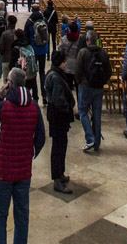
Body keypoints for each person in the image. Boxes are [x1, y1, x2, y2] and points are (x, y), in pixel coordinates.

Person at [0, 67, 45, 244]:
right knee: (21, 215)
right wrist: (30, 155)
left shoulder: (4, 106)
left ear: (9, 84)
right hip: (23, 171)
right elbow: (40, 138)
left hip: (4, 170)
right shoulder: (34, 107)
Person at [76, 29, 111, 153]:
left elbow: (78, 70)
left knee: (82, 112)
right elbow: (109, 71)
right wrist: (102, 82)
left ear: (87, 40)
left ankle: (90, 138)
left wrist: (80, 82)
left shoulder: (83, 52)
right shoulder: (103, 52)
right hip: (99, 88)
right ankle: (97, 142)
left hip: (85, 87)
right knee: (97, 114)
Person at [45, 49, 75, 193]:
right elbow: (58, 100)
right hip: (58, 116)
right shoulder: (55, 77)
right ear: (59, 62)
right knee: (58, 147)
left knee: (62, 144)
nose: (66, 63)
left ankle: (60, 173)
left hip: (58, 116)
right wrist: (68, 107)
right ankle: (57, 179)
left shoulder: (56, 74)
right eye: (64, 61)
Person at [25, 4, 49, 103]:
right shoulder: (44, 20)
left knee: (33, 72)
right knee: (42, 72)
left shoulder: (29, 22)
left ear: (31, 9)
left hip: (33, 50)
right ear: (39, 10)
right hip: (43, 49)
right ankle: (44, 95)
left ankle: (35, 97)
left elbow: (25, 36)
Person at [10, 28, 39, 102]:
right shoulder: (29, 46)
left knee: (20, 92)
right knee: (33, 86)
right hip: (31, 72)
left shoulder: (16, 48)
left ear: (16, 36)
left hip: (20, 75)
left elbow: (12, 63)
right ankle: (35, 100)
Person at [60, 21, 81, 88]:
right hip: (77, 65)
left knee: (67, 88)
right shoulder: (80, 39)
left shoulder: (64, 39)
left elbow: (61, 52)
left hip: (67, 64)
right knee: (78, 88)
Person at [0, 15, 17, 82]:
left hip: (6, 59)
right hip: (15, 60)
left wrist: (2, 53)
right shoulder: (17, 33)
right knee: (14, 81)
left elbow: (1, 48)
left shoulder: (4, 34)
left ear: (8, 22)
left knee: (6, 81)